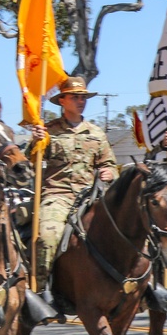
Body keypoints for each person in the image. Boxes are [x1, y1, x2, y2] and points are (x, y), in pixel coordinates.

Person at [28, 77, 118, 290]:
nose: (81, 101)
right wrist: (36, 142)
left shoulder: (96, 133)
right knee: (47, 239)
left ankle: (132, 289)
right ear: (62, 100)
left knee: (126, 229)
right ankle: (40, 291)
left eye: (83, 97)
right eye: (75, 97)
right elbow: (30, 161)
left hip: (91, 196)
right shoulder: (48, 131)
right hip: (58, 196)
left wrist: (110, 172)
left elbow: (110, 163)